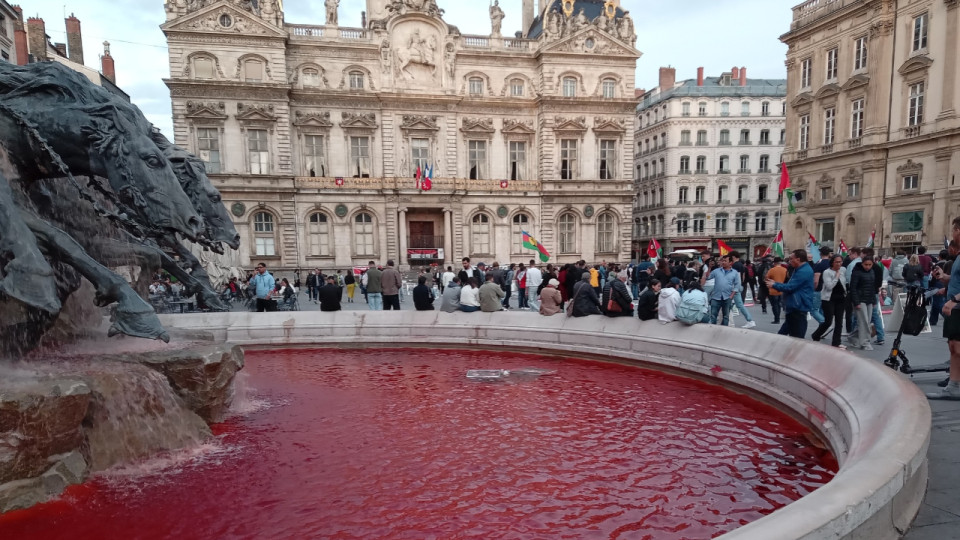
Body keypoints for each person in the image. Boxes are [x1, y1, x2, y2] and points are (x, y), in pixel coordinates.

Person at [766, 250, 814, 339]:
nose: (789, 261)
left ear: (798, 259)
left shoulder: (804, 271)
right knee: (783, 334)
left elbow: (791, 287)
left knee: (797, 337)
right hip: (795, 306)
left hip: (798, 306)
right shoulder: (799, 269)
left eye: (791, 259)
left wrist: (775, 285)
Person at [811, 255, 846, 348]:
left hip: (841, 298)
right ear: (832, 262)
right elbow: (829, 286)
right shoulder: (827, 272)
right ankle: (816, 335)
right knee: (828, 321)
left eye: (840, 262)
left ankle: (836, 342)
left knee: (839, 321)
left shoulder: (843, 270)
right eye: (837, 262)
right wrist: (836, 277)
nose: (839, 264)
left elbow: (845, 283)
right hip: (828, 298)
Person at [708, 255, 739, 326]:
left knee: (726, 317)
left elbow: (737, 285)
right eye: (722, 261)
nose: (723, 262)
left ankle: (724, 331)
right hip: (716, 297)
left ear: (730, 262)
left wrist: (731, 296)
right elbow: (708, 277)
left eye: (725, 261)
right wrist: (709, 268)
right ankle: (712, 330)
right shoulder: (716, 271)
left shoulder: (734, 273)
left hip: (727, 297)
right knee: (713, 316)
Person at [729, 252, 757, 328]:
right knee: (736, 304)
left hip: (735, 287)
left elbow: (735, 277)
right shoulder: (741, 265)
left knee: (737, 305)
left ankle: (749, 320)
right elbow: (743, 276)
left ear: (733, 257)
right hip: (739, 286)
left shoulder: (735, 265)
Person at [766, 257, 788, 324]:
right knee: (780, 304)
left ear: (774, 263)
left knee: (774, 305)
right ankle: (780, 316)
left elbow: (767, 278)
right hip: (783, 289)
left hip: (773, 290)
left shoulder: (772, 270)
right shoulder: (785, 270)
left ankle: (777, 318)